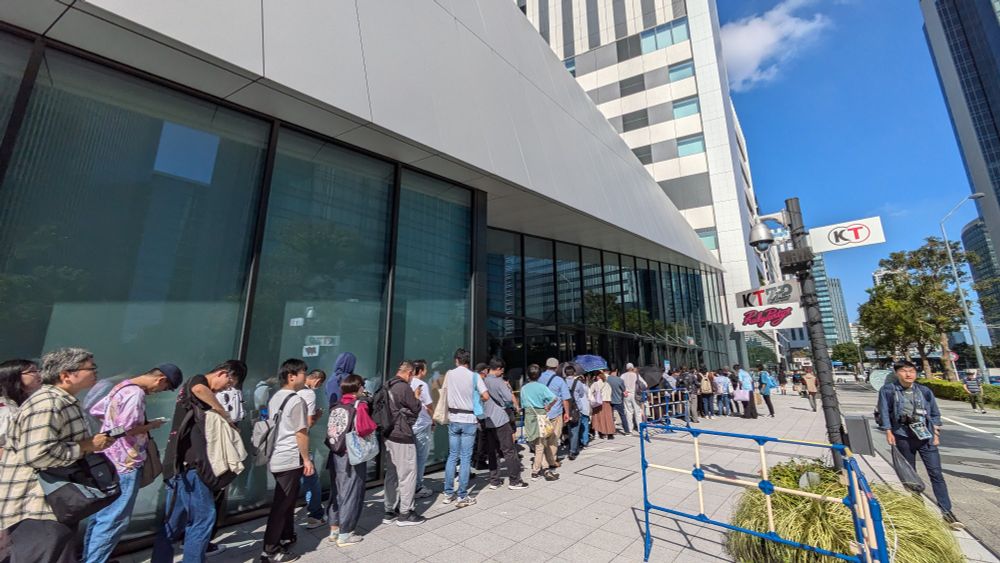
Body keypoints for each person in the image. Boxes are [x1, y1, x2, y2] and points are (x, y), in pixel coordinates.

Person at [0, 348, 113, 563]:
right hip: (35, 504)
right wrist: (85, 446)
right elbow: (37, 454)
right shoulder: (48, 404)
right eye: (90, 368)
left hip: (54, 502)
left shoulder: (62, 400)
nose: (95, 372)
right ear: (66, 375)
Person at [83, 364, 181, 563]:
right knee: (115, 519)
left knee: (101, 515)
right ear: (161, 380)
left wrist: (112, 428)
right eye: (165, 388)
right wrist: (150, 425)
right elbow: (126, 429)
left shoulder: (119, 387)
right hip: (126, 461)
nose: (160, 391)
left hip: (107, 458)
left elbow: (96, 410)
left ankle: (89, 558)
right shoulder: (136, 393)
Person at [153, 362, 242, 562]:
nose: (226, 389)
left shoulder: (194, 395)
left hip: (179, 466)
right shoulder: (197, 380)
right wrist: (224, 414)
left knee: (173, 523)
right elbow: (199, 388)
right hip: (189, 467)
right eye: (228, 383)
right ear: (222, 373)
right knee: (204, 518)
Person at [877, 361, 963, 530]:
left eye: (912, 371)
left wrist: (936, 434)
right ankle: (918, 508)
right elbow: (884, 412)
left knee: (936, 473)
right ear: (896, 373)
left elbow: (935, 414)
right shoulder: (888, 390)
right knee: (910, 474)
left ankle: (947, 513)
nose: (908, 374)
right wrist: (888, 431)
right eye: (904, 371)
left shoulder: (924, 391)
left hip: (926, 436)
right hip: (903, 436)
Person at [258, 359, 314, 562]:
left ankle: (286, 536)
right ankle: (270, 550)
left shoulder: (276, 396)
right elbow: (301, 432)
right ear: (291, 376)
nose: (305, 377)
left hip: (276, 454)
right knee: (282, 505)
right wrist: (306, 459)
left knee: (287, 501)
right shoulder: (296, 400)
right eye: (303, 373)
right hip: (289, 456)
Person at [325, 374, 375, 547]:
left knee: (337, 490)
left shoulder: (337, 404)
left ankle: (334, 529)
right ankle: (345, 533)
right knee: (352, 491)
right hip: (351, 453)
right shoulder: (359, 405)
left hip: (335, 451)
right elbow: (365, 428)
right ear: (358, 387)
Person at [442, 349, 489, 507]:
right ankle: (462, 495)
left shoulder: (450, 374)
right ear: (468, 361)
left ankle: (448, 493)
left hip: (453, 417)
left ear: (456, 360)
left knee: (452, 455)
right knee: (465, 457)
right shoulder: (474, 376)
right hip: (469, 418)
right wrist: (476, 398)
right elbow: (486, 396)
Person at [382, 361, 425, 525]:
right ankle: (406, 513)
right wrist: (416, 397)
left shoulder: (387, 384)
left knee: (391, 473)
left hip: (388, 434)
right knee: (407, 473)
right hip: (402, 434)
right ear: (410, 373)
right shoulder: (404, 388)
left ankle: (389, 510)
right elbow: (415, 408)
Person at [481, 358, 527, 490]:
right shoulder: (499, 381)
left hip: (488, 419)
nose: (502, 373)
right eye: (502, 370)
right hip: (500, 419)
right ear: (499, 369)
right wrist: (508, 388)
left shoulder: (483, 380)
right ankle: (515, 481)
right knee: (509, 450)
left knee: (493, 451)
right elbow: (508, 398)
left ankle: (494, 480)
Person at [298, 369, 327, 530]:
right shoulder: (309, 394)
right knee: (311, 478)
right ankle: (315, 515)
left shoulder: (290, 391)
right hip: (300, 441)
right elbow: (307, 423)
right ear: (317, 380)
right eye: (320, 383)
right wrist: (317, 416)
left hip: (284, 442)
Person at [520, 364, 559, 481]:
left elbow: (523, 404)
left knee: (536, 443)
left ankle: (544, 467)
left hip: (529, 417)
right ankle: (535, 471)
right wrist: (549, 406)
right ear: (539, 375)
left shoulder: (523, 388)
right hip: (541, 416)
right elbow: (554, 398)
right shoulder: (542, 387)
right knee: (540, 445)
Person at [0, 359, 42, 459]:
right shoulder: (7, 411)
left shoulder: (26, 406)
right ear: (13, 377)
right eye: (32, 371)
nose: (39, 374)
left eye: (38, 370)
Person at [410, 360, 435, 499]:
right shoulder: (421, 384)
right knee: (420, 457)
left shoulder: (406, 383)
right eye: (425, 369)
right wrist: (433, 419)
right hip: (421, 423)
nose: (426, 371)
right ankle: (417, 486)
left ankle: (408, 485)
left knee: (410, 458)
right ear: (420, 371)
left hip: (409, 425)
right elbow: (429, 405)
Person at [540, 358, 572, 460]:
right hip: (555, 412)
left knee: (543, 437)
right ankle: (551, 459)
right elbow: (565, 399)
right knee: (554, 437)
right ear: (557, 367)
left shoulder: (538, 377)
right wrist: (567, 413)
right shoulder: (559, 380)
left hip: (541, 412)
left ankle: (543, 459)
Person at [566, 364, 591, 460]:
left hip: (566, 408)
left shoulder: (563, 382)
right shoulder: (578, 383)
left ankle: (571, 447)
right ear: (574, 373)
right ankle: (573, 451)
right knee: (575, 430)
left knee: (569, 429)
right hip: (576, 408)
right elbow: (581, 394)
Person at [590, 370, 615, 439]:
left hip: (598, 403)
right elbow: (610, 393)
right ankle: (608, 433)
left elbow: (590, 393)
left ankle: (598, 434)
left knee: (597, 417)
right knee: (607, 418)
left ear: (598, 377)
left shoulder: (595, 384)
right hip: (607, 402)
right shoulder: (607, 384)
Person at [621, 364, 641, 433]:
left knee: (628, 412)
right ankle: (640, 428)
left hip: (626, 394)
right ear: (632, 368)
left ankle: (630, 429)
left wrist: (624, 391)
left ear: (626, 368)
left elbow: (620, 384)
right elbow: (645, 384)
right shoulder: (636, 375)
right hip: (635, 394)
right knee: (637, 412)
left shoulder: (623, 375)